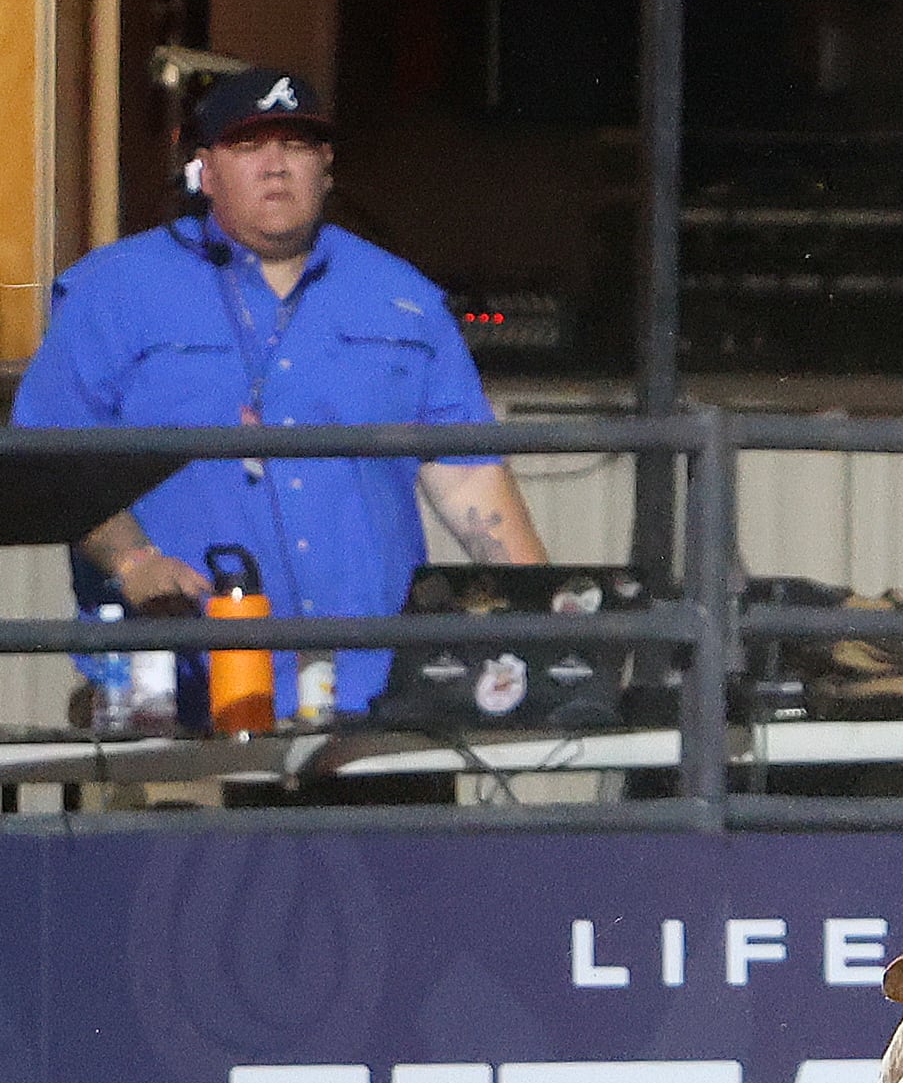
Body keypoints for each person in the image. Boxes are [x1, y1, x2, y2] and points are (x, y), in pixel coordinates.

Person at [12, 66, 546, 721]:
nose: (276, 166)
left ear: (326, 167)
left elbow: (468, 478)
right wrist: (133, 562)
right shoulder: (112, 291)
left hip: (377, 696)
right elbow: (55, 454)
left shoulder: (402, 298)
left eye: (296, 146)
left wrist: (545, 639)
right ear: (204, 172)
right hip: (174, 695)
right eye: (247, 147)